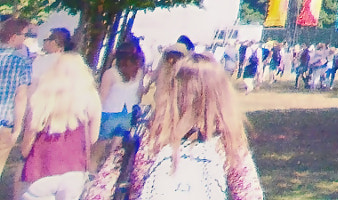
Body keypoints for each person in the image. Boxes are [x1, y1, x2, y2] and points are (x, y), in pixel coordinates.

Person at [96, 54, 262, 200]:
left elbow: (100, 191)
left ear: (172, 91)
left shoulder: (148, 138)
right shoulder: (228, 145)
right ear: (221, 95)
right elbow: (250, 193)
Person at [15, 49, 98, 200]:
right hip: (74, 172)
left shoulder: (42, 96)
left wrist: (23, 157)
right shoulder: (91, 98)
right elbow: (92, 139)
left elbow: (28, 141)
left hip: (40, 170)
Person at [95, 42, 145, 161]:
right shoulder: (138, 73)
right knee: (113, 152)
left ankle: (92, 173)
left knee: (98, 151)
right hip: (127, 115)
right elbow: (139, 94)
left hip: (108, 114)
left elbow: (102, 97)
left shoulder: (111, 74)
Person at [0, 18, 37, 169]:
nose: (25, 38)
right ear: (13, 36)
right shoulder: (22, 62)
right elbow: (21, 97)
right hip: (4, 124)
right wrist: (18, 127)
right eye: (24, 34)